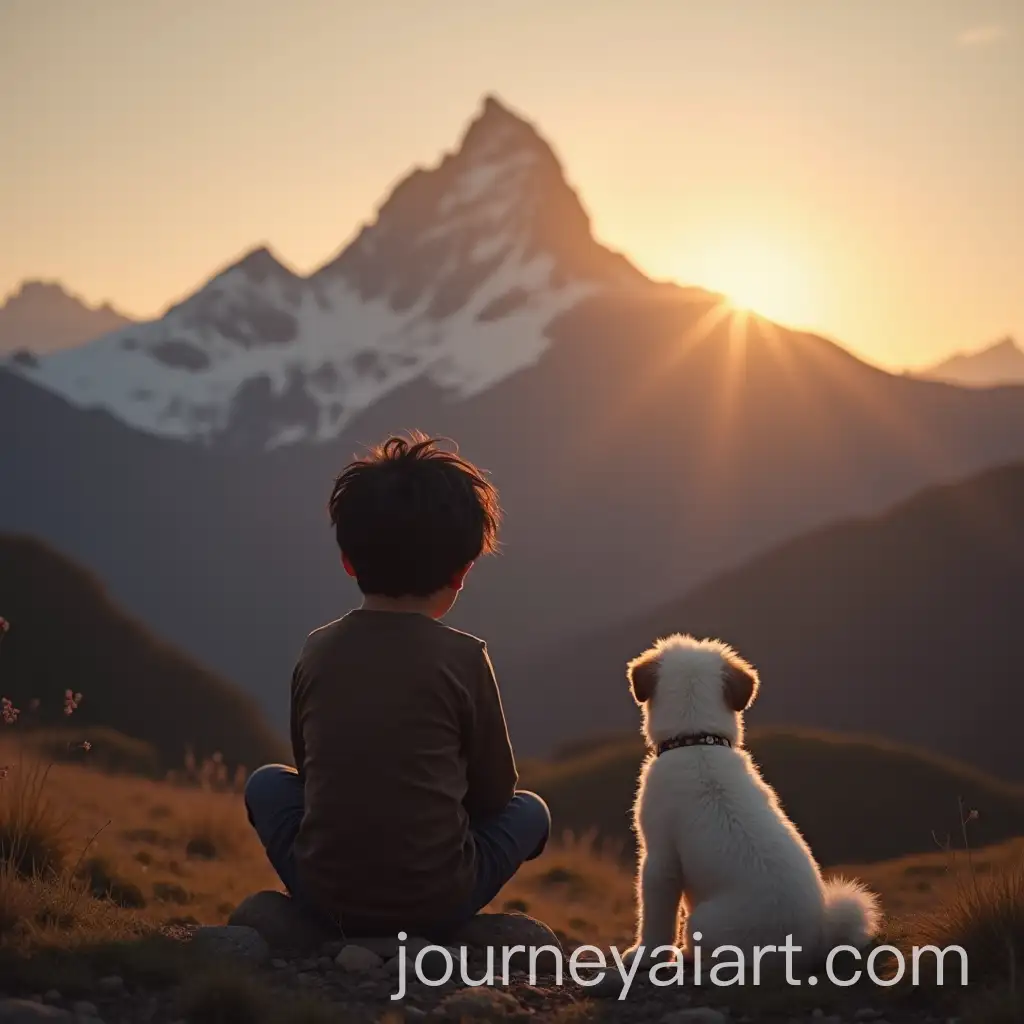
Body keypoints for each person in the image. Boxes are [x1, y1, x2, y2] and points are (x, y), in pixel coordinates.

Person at [244, 432, 550, 937]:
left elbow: (309, 771)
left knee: (266, 783)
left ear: (348, 560)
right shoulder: (465, 658)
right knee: (530, 811)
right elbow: (496, 794)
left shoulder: (317, 650)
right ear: (462, 571)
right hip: (438, 900)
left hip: (325, 895)